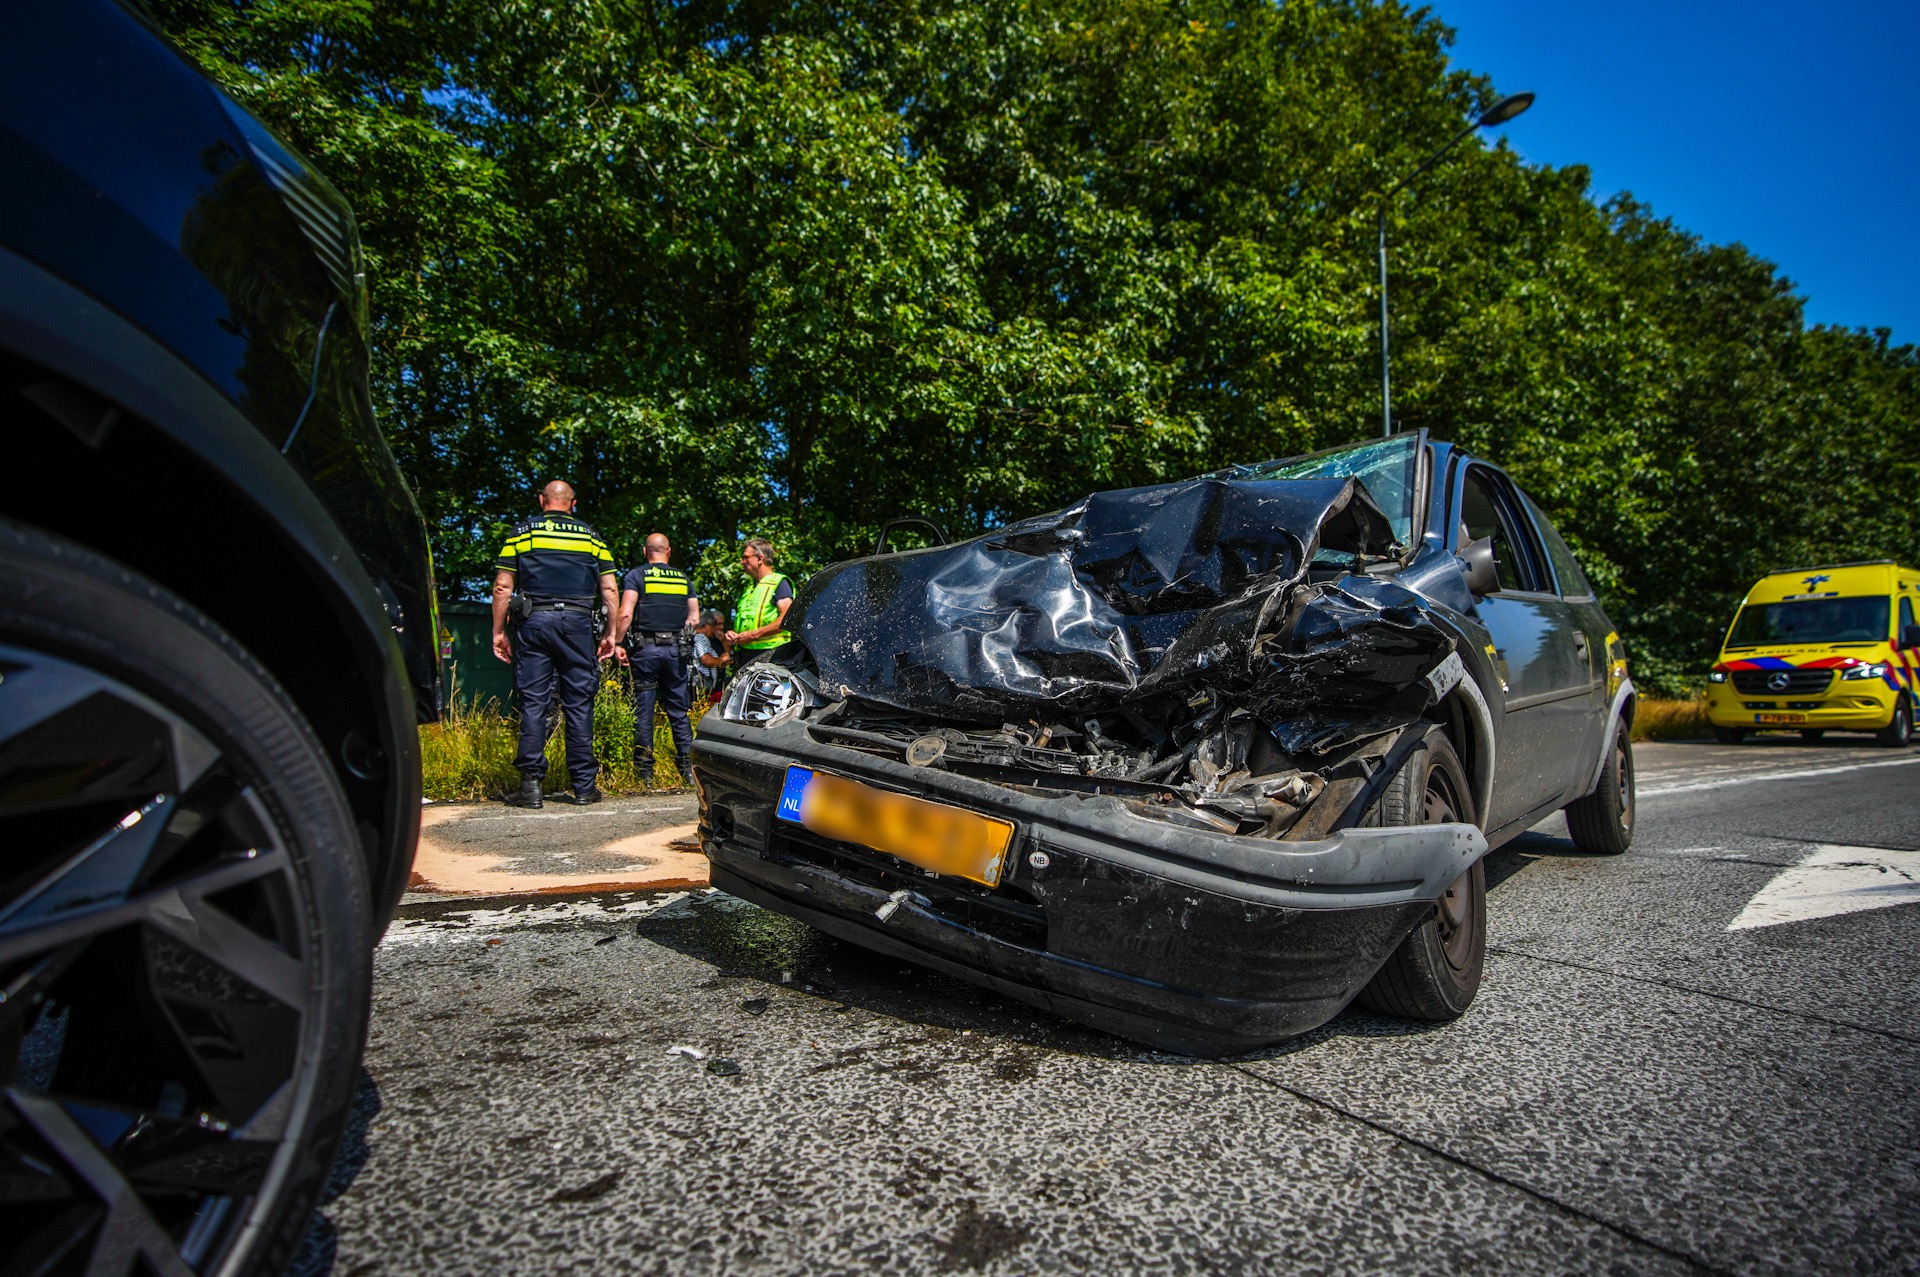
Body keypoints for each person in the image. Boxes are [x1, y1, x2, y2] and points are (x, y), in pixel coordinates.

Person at [492, 480, 618, 808]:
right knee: (579, 702)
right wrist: (611, 633)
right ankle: (584, 787)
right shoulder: (592, 537)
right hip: (578, 625)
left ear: (541, 500)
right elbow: (609, 589)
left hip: (534, 622)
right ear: (573, 504)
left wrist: (498, 631)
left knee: (535, 702)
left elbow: (503, 587)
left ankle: (531, 786)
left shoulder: (523, 533)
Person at [613, 532, 698, 786]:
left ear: (645, 551)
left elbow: (625, 613)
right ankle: (688, 770)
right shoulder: (682, 579)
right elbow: (694, 618)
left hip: (645, 651)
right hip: (675, 652)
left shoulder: (637, 576)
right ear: (668, 551)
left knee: (644, 710)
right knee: (679, 711)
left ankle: (645, 773)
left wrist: (617, 642)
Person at [726, 536, 793, 665]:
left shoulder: (779, 583)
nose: (742, 562)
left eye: (746, 557)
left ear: (760, 559)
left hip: (772, 656)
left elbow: (786, 619)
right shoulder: (749, 589)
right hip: (746, 656)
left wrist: (754, 635)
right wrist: (733, 635)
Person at [692, 608, 730, 703]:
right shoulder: (700, 637)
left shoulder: (704, 638)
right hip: (701, 685)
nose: (720, 627)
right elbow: (707, 660)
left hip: (712, 686)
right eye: (714, 625)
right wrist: (721, 659)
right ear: (706, 625)